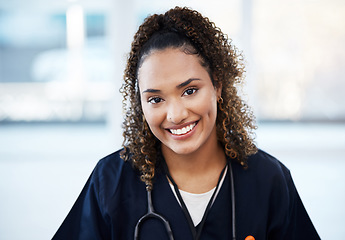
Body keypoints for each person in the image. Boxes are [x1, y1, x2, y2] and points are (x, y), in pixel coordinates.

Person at [53, 6, 320, 240]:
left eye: (189, 91)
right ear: (141, 104)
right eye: (156, 99)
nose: (176, 114)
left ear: (217, 85)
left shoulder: (269, 180)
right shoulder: (110, 182)